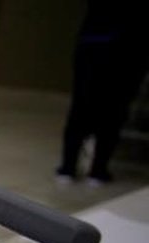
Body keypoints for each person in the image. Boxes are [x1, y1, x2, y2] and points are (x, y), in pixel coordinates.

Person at [56, 1, 149, 185]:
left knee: (86, 110)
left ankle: (72, 167)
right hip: (125, 50)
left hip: (100, 47)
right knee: (111, 112)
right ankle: (93, 169)